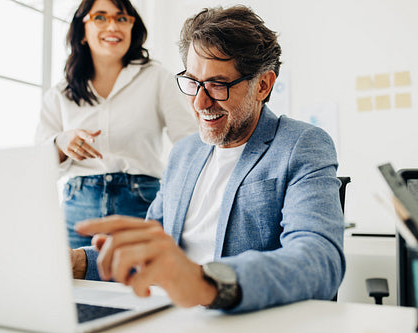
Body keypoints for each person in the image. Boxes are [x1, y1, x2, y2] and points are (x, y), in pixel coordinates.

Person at [72, 5, 345, 313]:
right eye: (192, 82)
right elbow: (148, 253)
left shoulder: (300, 144)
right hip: (169, 316)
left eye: (218, 84)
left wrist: (204, 281)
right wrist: (78, 262)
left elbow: (320, 259)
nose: (200, 102)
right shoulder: (183, 153)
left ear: (263, 85)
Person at [35, 0, 197, 248]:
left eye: (122, 18)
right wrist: (61, 142)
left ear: (132, 27)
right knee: (73, 284)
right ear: (82, 31)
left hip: (142, 204)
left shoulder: (156, 78)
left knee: (141, 285)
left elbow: (190, 143)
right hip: (78, 209)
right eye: (100, 17)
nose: (113, 26)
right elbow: (37, 164)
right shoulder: (60, 93)